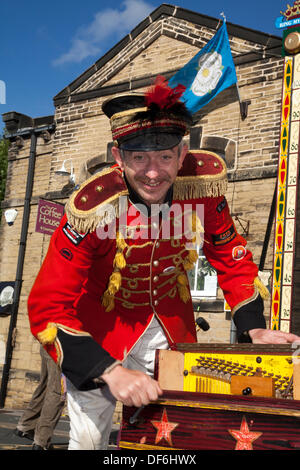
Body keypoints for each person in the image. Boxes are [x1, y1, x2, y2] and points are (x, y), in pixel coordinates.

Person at [27, 75, 300, 450]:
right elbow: (48, 306)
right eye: (138, 157)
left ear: (182, 154)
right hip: (99, 333)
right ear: (119, 156)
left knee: (173, 435)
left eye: (165, 156)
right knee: (89, 439)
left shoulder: (202, 186)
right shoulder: (92, 209)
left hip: (171, 328)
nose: (153, 173)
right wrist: (107, 370)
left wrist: (253, 328)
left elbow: (228, 253)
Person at [14, 345, 65, 450]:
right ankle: (42, 441)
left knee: (45, 386)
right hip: (61, 348)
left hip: (47, 342)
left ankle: (26, 425)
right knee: (57, 392)